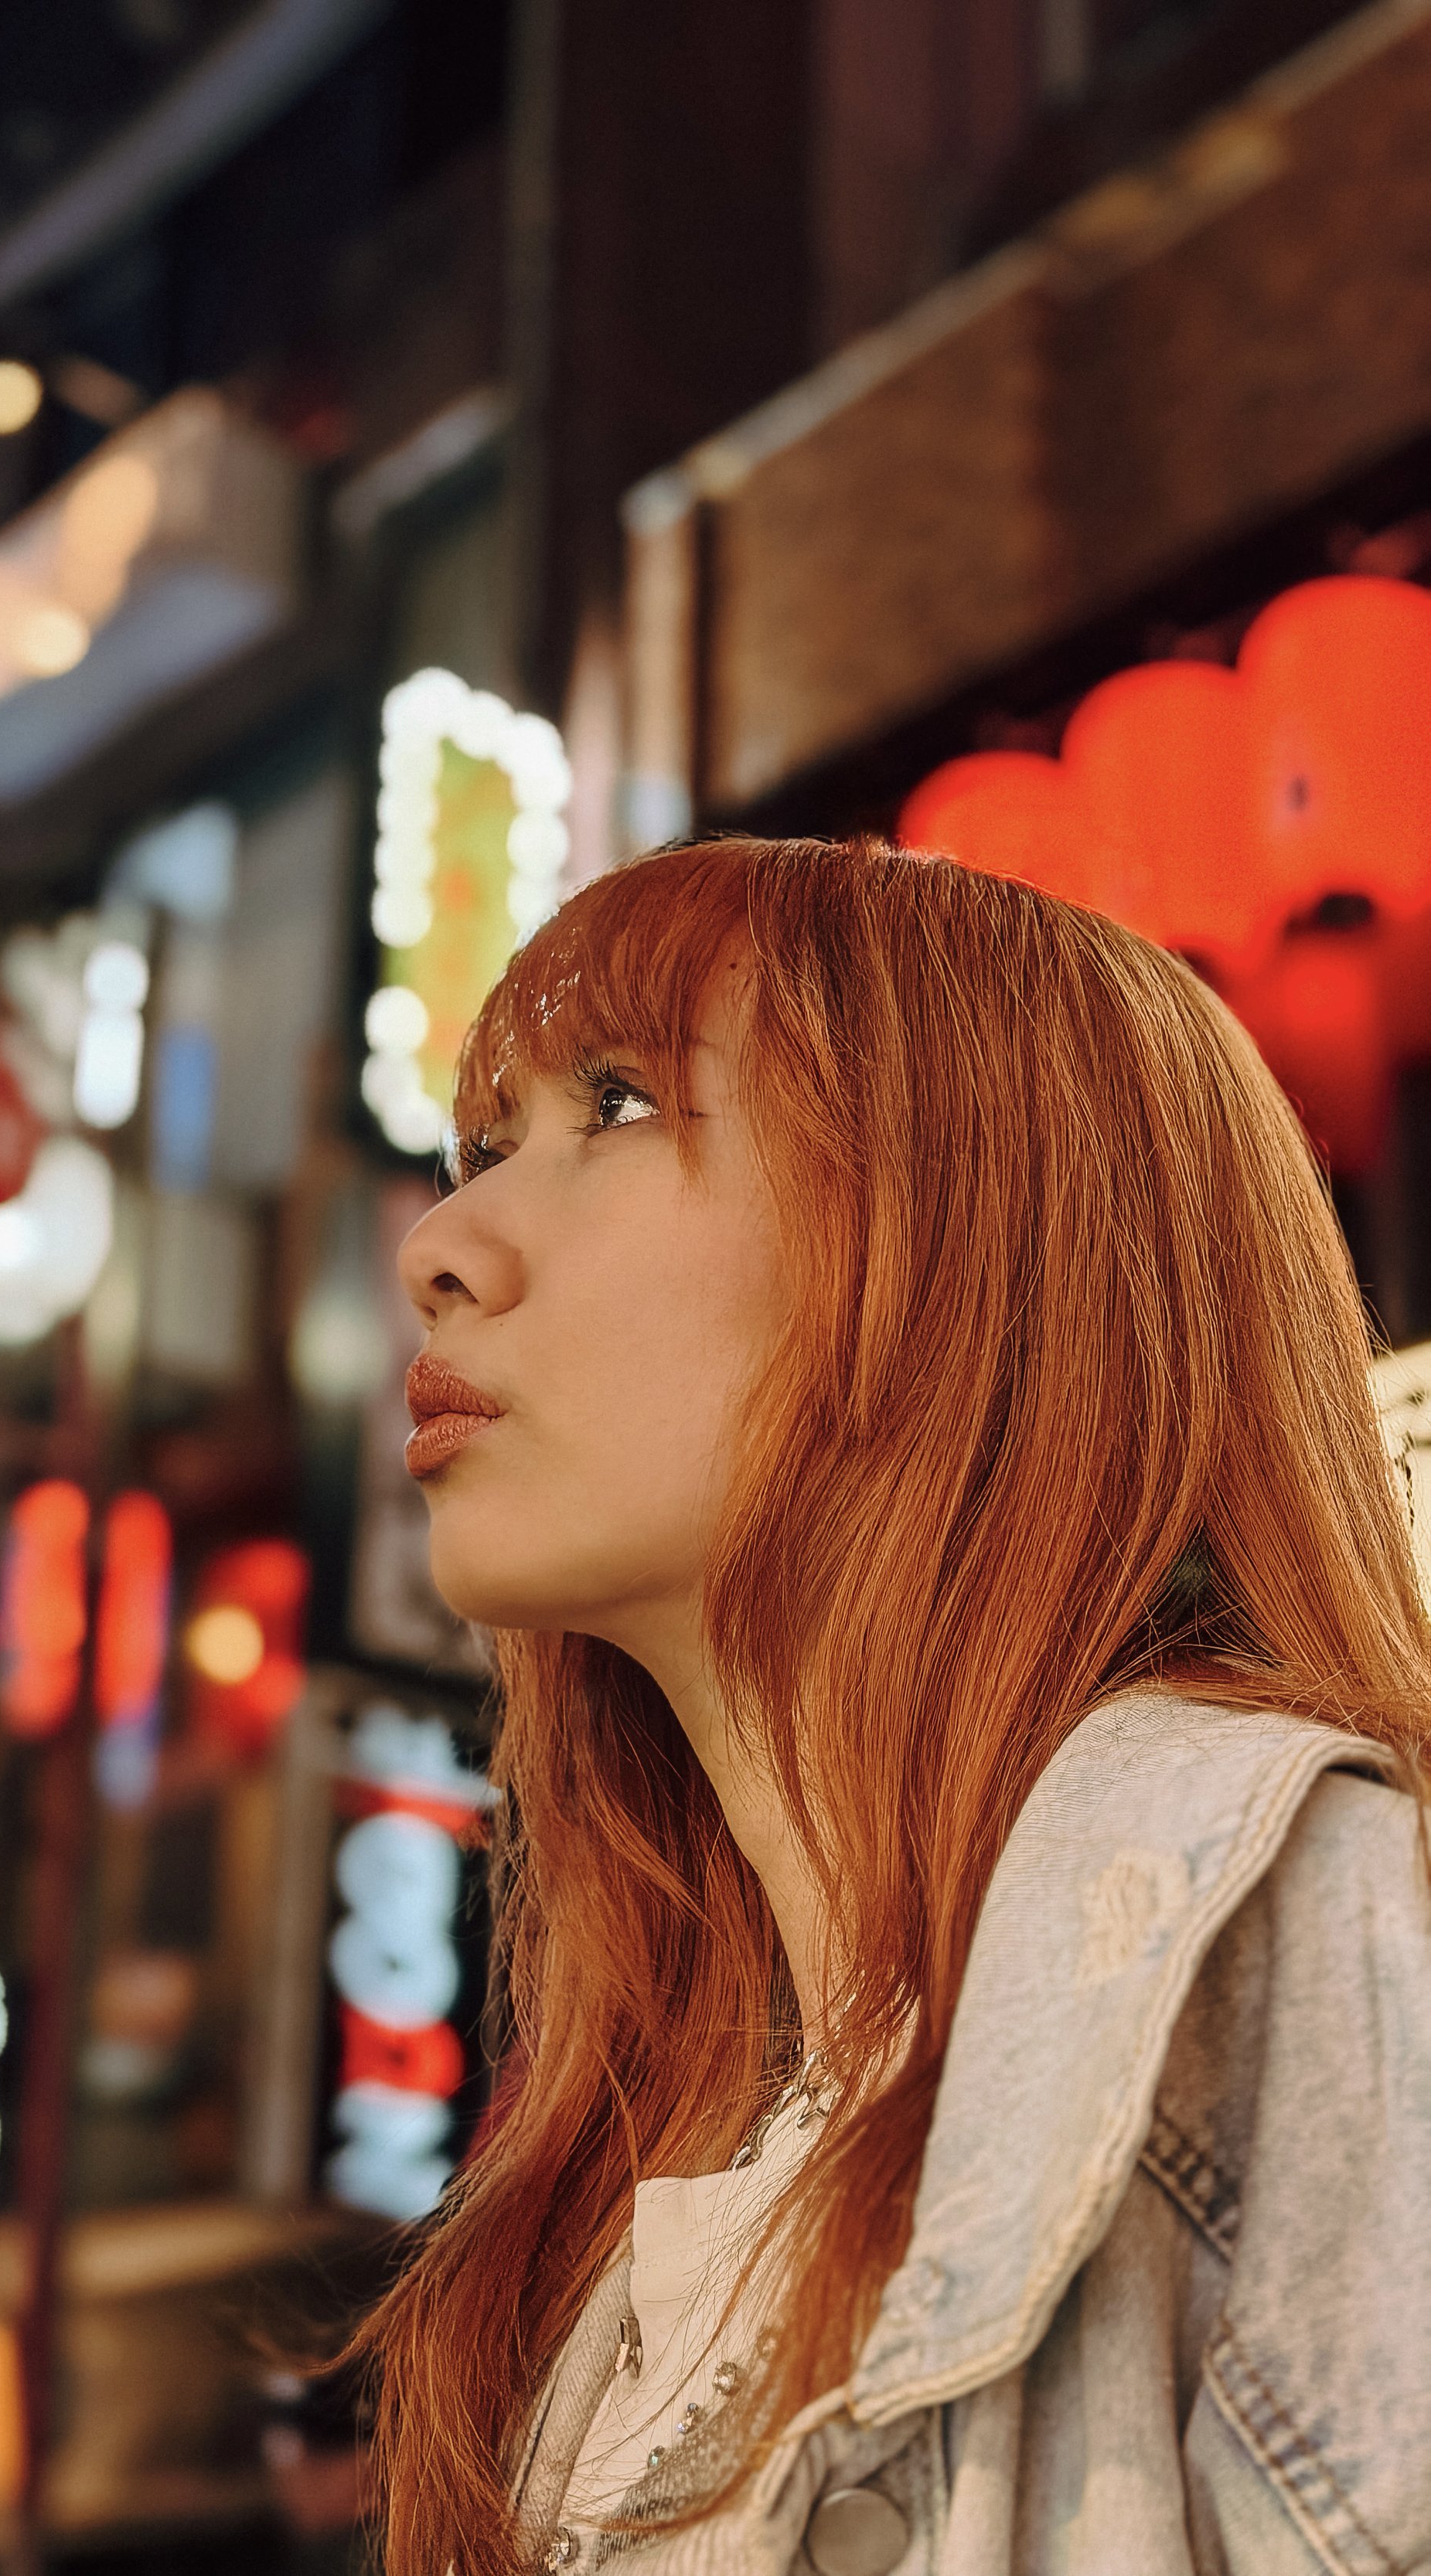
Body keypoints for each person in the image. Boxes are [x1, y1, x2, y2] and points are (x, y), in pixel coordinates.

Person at [358, 835, 1431, 2576]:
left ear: (972, 1222)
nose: (443, 1242)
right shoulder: (647, 2209)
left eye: (615, 1105)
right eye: (480, 1148)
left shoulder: (1307, 1932)